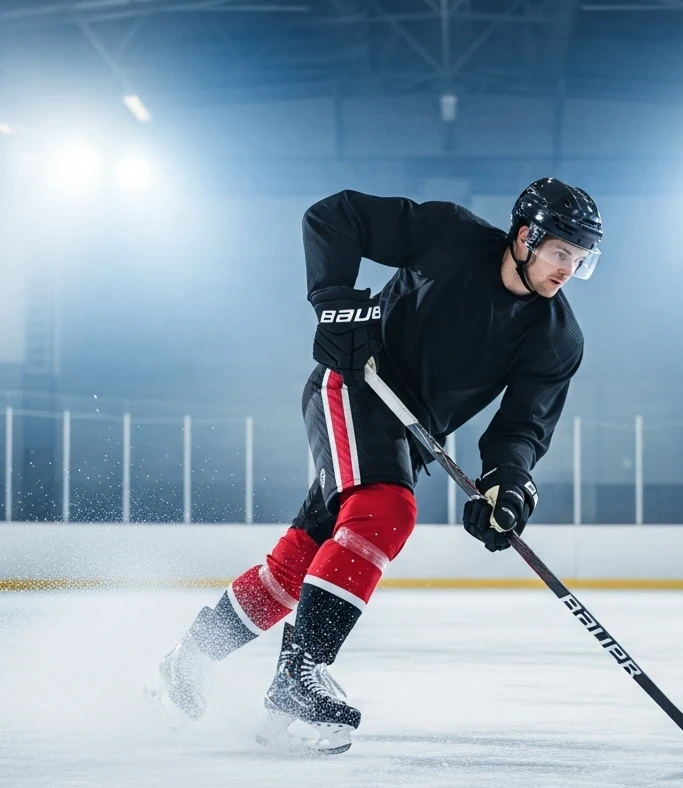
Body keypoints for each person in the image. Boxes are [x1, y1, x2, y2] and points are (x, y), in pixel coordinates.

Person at [145, 177, 603, 753]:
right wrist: (332, 299)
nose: (568, 269)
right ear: (527, 236)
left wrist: (507, 486)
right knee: (386, 510)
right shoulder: (452, 237)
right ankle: (299, 675)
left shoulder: (557, 338)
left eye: (580, 260)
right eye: (561, 252)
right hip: (358, 384)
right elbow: (335, 217)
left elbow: (521, 428)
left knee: (297, 568)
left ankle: (189, 660)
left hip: (406, 436)